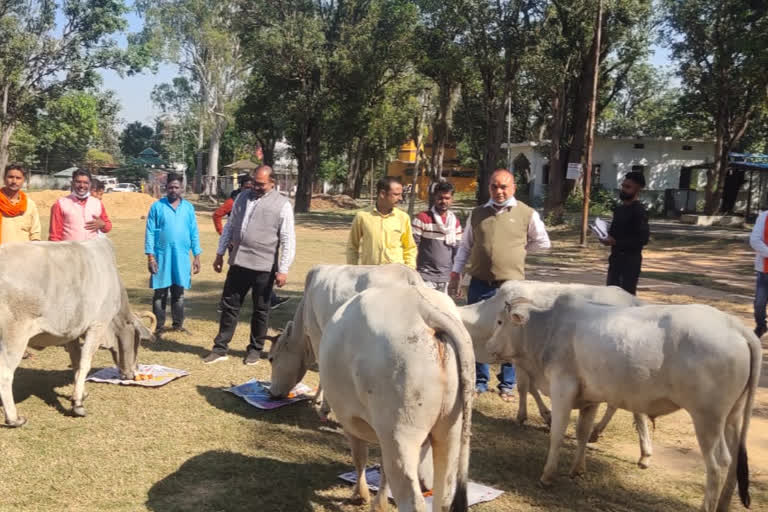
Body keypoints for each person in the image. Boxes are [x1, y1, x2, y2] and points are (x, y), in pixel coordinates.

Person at [448, 169, 550, 399]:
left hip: (511, 286)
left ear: (513, 187)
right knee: (477, 331)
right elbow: (465, 246)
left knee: (512, 334)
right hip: (480, 284)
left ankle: (508, 384)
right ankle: (479, 381)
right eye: (494, 186)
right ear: (489, 188)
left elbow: (542, 242)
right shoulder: (477, 214)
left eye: (504, 186)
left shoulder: (526, 213)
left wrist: (519, 251)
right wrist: (455, 273)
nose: (499, 191)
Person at [204, 165, 296, 365]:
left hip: (264, 266)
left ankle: (255, 350)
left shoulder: (283, 205)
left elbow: (288, 239)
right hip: (239, 261)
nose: (256, 187)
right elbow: (230, 226)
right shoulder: (242, 198)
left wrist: (283, 269)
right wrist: (220, 254)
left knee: (261, 310)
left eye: (261, 184)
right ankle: (220, 348)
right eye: (255, 182)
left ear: (272, 183)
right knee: (229, 306)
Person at [212, 175, 289, 310]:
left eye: (256, 185)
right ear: (241, 187)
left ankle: (271, 299)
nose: (253, 189)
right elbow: (217, 215)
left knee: (258, 277)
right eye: (248, 187)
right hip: (237, 246)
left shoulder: (271, 202)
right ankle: (224, 304)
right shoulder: (234, 201)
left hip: (259, 252)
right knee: (236, 279)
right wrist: (223, 235)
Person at [144, 173, 202, 335]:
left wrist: (197, 255)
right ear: (166, 188)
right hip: (161, 256)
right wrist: (150, 256)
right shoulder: (157, 207)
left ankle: (178, 325)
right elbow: (149, 232)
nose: (173, 190)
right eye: (170, 187)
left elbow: (193, 232)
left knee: (179, 292)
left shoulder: (188, 208)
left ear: (181, 188)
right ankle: (158, 326)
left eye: (176, 187)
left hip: (181, 256)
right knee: (160, 292)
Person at [347, 176, 417, 268]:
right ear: (382, 194)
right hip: (370, 273)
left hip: (395, 274)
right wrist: (353, 270)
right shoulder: (362, 216)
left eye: (401, 194)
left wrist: (410, 269)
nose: (400, 198)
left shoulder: (403, 218)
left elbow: (410, 247)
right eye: (396, 194)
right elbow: (352, 246)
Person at [602, 171, 650, 295]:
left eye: (628, 187)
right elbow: (614, 233)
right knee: (611, 295)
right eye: (623, 186)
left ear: (638, 189)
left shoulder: (639, 211)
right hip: (615, 259)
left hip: (630, 262)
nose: (623, 189)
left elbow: (643, 239)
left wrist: (617, 242)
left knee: (625, 298)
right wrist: (604, 236)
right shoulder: (619, 209)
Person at [411, 181, 462, 293]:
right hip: (424, 276)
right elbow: (412, 247)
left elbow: (458, 253)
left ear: (452, 199)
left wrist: (457, 277)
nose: (443, 201)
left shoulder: (455, 223)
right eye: (440, 198)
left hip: (446, 278)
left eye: (447, 198)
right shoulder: (422, 219)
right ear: (434, 198)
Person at [49, 169, 112, 241]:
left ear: (90, 184)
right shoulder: (60, 204)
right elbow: (54, 236)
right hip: (70, 250)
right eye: (78, 182)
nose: (82, 185)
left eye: (85, 183)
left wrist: (103, 224)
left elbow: (108, 226)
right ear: (72, 183)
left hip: (92, 251)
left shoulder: (97, 203)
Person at [0, 165, 41, 245]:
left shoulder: (30, 205)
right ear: (4, 179)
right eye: (10, 177)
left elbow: (35, 234)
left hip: (24, 254)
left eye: (18, 178)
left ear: (23, 181)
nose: (14, 181)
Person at [749, 207, 768, 337]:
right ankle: (761, 325)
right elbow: (755, 240)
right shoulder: (764, 216)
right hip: (765, 270)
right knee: (759, 304)